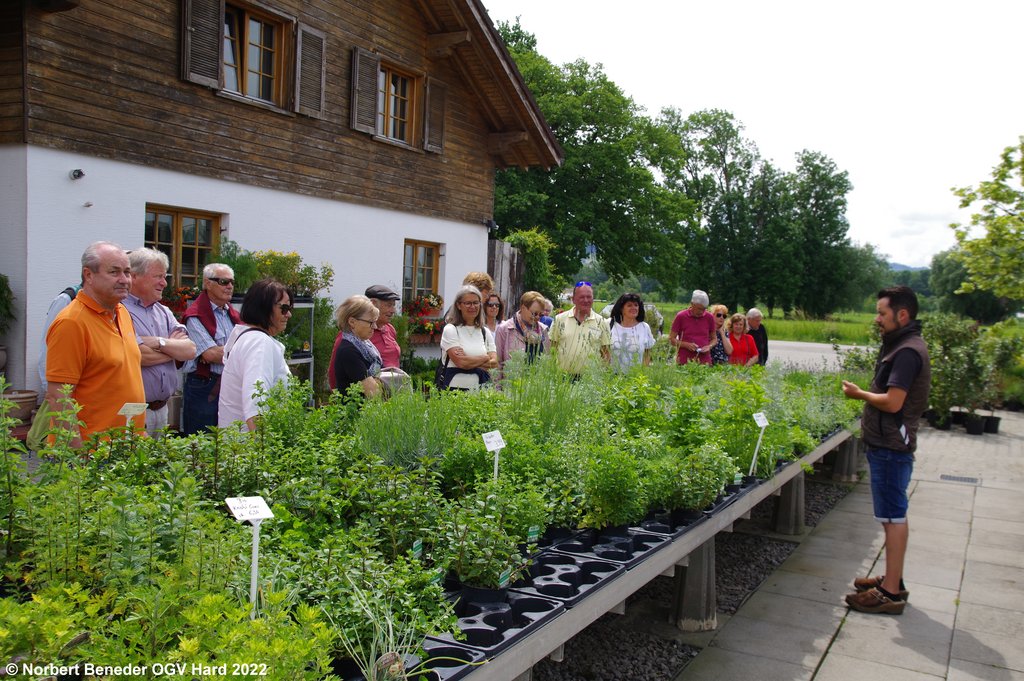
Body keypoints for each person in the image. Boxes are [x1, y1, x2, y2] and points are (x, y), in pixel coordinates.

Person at [841, 286, 931, 615]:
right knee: (890, 516)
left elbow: (893, 402)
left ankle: (890, 592)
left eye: (882, 313)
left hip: (892, 447)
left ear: (902, 315)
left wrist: (860, 394)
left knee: (893, 517)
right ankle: (893, 579)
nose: (877, 319)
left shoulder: (907, 351)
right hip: (888, 445)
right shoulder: (901, 345)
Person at [44, 241, 145, 446]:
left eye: (127, 272)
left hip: (125, 445)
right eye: (114, 272)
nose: (124, 279)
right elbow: (58, 397)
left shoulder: (122, 313)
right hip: (92, 451)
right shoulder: (72, 322)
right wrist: (78, 455)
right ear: (88, 275)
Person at [124, 248, 197, 436]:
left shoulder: (163, 311)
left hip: (162, 410)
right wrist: (173, 351)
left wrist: (158, 342)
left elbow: (190, 350)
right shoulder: (120, 310)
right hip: (134, 411)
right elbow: (138, 355)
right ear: (134, 276)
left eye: (164, 277)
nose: (164, 283)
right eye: (158, 276)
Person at [218, 278, 293, 431]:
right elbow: (257, 408)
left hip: (237, 441)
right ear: (264, 307)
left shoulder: (249, 338)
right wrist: (263, 445)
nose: (289, 314)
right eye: (284, 308)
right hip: (249, 443)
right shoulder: (259, 343)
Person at [181, 263, 241, 435]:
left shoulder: (233, 314)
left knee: (229, 439)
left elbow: (221, 352)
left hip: (229, 385)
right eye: (223, 282)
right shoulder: (195, 315)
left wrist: (223, 352)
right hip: (204, 387)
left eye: (232, 282)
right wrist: (239, 352)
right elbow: (211, 354)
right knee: (201, 441)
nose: (229, 286)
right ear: (207, 283)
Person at [327, 284, 401, 391]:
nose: (393, 310)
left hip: (391, 392)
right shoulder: (349, 341)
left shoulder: (389, 329)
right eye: (389, 305)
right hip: (367, 395)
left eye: (394, 305)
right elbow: (335, 372)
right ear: (373, 303)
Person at [438, 285, 497, 390]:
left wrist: (469, 360)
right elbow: (461, 362)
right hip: (454, 390)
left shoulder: (485, 332)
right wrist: (484, 358)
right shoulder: (451, 330)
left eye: (476, 302)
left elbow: (494, 363)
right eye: (468, 303)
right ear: (459, 305)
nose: (472, 306)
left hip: (480, 390)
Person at [548, 282, 611, 375]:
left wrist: (603, 375)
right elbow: (552, 349)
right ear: (573, 299)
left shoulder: (602, 322)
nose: (586, 300)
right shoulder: (559, 319)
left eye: (589, 297)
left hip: (590, 379)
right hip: (563, 378)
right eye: (581, 297)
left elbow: (606, 353)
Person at [331, 295, 384, 398]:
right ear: (352, 322)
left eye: (375, 322)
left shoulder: (365, 346)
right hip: (356, 408)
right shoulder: (348, 351)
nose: (375, 326)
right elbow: (374, 393)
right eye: (371, 322)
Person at [37, 283, 81, 396]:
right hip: (66, 388)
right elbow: (47, 344)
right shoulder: (67, 299)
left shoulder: (114, 303)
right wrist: (47, 386)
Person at [494, 290, 549, 367]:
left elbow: (547, 359)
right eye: (534, 313)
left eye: (541, 315)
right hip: (514, 375)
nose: (537, 317)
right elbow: (498, 362)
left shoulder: (543, 330)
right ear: (523, 308)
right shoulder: (505, 329)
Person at [608, 292, 655, 371]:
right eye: (629, 305)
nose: (634, 308)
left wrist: (644, 371)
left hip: (636, 376)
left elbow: (648, 353)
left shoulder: (644, 327)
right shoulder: (610, 325)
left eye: (636, 305)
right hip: (612, 376)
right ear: (621, 308)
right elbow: (603, 351)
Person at [670, 290, 715, 365]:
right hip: (684, 362)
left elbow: (714, 339)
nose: (701, 312)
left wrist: (709, 346)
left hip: (705, 361)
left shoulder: (709, 317)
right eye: (699, 309)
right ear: (692, 304)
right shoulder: (681, 316)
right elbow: (671, 339)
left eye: (704, 309)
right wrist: (686, 345)